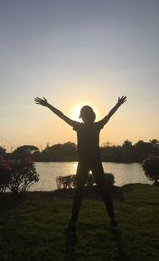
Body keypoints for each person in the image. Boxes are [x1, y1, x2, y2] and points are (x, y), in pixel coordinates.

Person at [35, 96, 127, 232]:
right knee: (103, 192)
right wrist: (118, 104)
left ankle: (73, 224)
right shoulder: (96, 126)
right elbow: (109, 115)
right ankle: (112, 220)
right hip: (94, 163)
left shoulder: (80, 127)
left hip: (84, 164)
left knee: (80, 194)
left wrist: (48, 105)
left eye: (83, 116)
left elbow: (62, 116)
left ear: (84, 117)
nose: (83, 118)